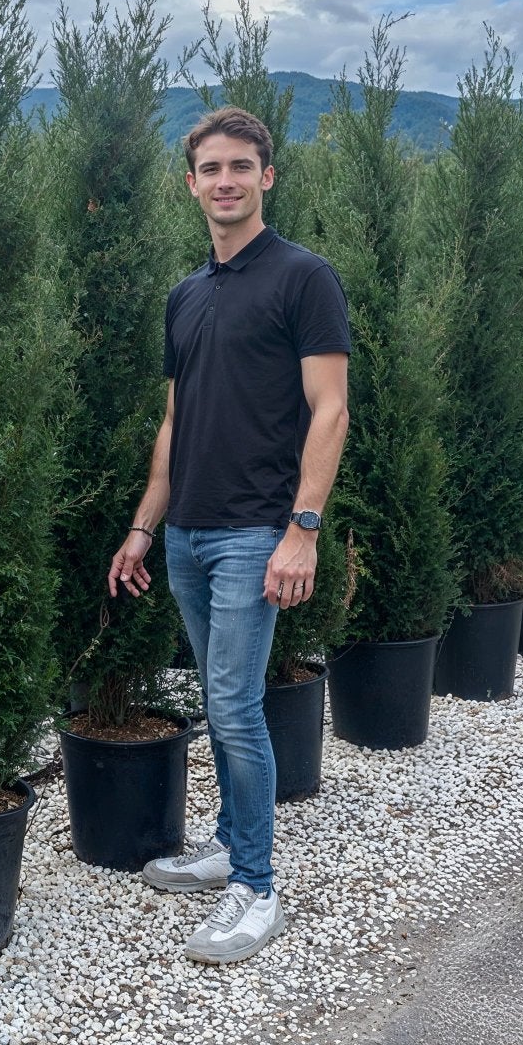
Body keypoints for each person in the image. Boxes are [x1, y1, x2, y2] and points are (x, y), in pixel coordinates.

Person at [108, 105, 350, 965]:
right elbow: (175, 424)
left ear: (267, 176)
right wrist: (145, 526)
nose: (225, 181)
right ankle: (227, 847)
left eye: (241, 167)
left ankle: (256, 886)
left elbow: (331, 410)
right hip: (190, 535)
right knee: (219, 701)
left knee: (237, 712)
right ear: (191, 183)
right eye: (210, 169)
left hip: (257, 533)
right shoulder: (184, 296)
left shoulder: (303, 278)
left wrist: (303, 530)